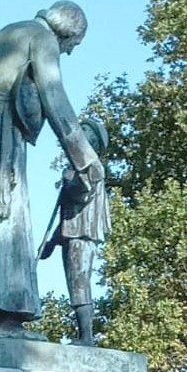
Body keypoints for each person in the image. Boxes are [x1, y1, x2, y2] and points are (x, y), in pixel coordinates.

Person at [0, 1, 105, 336]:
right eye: (73, 45)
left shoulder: (12, 31)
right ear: (68, 31)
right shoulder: (43, 38)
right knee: (4, 216)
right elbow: (54, 99)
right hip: (0, 129)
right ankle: (3, 315)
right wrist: (86, 159)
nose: (68, 52)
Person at [38, 115, 111, 346]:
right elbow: (69, 215)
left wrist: (70, 179)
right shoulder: (79, 167)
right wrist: (52, 242)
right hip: (73, 233)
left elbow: (80, 193)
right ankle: (84, 336)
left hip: (83, 234)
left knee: (79, 282)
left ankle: (86, 337)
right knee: (75, 282)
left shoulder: (91, 166)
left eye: (87, 133)